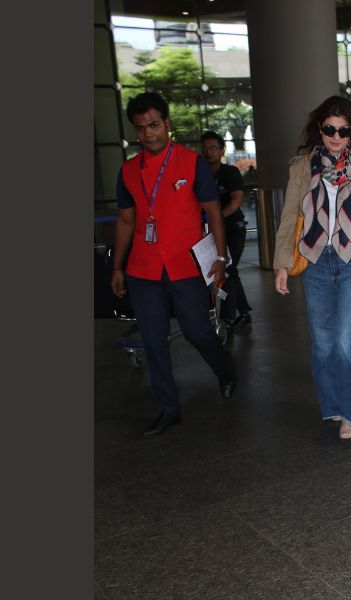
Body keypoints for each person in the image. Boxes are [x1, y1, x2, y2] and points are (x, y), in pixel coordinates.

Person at [111, 93, 236, 437]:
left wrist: (220, 258)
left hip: (185, 266)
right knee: (153, 340)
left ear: (167, 124)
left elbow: (213, 213)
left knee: (197, 331)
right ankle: (167, 409)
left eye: (154, 125)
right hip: (143, 269)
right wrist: (117, 266)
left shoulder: (192, 163)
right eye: (140, 128)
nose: (148, 133)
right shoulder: (128, 171)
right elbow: (125, 220)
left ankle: (224, 368)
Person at [272, 95, 351, 440]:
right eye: (330, 129)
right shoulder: (302, 166)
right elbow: (288, 217)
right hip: (316, 260)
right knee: (323, 344)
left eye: (344, 130)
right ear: (319, 129)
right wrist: (282, 263)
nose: (336, 137)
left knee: (344, 341)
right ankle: (334, 405)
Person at [200, 131, 252, 328]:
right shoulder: (200, 174)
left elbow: (237, 199)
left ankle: (228, 318)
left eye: (213, 148)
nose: (209, 151)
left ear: (222, 151)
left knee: (227, 269)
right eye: (205, 148)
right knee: (228, 271)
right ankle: (243, 312)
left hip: (232, 229)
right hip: (210, 232)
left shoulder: (230, 172)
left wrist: (217, 217)